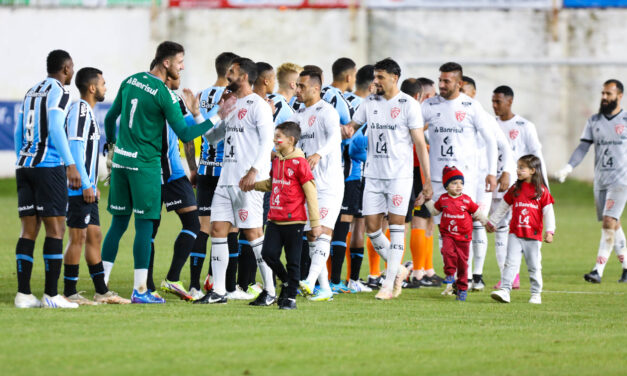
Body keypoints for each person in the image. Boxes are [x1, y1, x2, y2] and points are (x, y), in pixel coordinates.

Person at [101, 41, 235, 304]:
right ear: (166, 63)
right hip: (146, 167)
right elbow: (185, 133)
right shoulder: (163, 93)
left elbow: (109, 118)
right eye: (180, 62)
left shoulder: (131, 80)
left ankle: (101, 285)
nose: (182, 66)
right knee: (144, 226)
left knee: (117, 224)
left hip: (121, 164)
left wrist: (111, 147)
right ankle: (141, 290)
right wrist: (217, 116)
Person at [343, 58, 432, 300]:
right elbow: (354, 124)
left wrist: (427, 180)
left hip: (399, 178)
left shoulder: (408, 105)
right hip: (373, 175)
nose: (376, 81)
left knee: (396, 226)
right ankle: (400, 270)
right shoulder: (369, 101)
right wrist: (348, 128)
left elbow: (420, 144)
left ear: (395, 78)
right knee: (372, 228)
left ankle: (388, 283)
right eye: (375, 77)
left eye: (380, 77)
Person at [194, 57, 276, 305]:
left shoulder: (258, 106)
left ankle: (270, 291)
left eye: (232, 72)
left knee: (253, 233)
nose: (227, 76)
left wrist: (254, 171)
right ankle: (218, 291)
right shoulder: (230, 104)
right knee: (218, 230)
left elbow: (266, 142)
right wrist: (198, 114)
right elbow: (213, 138)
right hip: (226, 179)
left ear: (244, 76)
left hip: (247, 181)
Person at [14, 49, 82, 309]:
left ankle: (23, 295)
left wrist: (23, 160)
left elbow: (20, 129)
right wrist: (70, 163)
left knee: (28, 230)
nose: (72, 72)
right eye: (72, 67)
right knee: (56, 229)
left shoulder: (31, 91)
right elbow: (55, 127)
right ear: (65, 69)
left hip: (25, 165)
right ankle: (52, 295)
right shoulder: (61, 91)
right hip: (48, 166)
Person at [421, 63, 499, 285]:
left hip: (465, 180)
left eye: (447, 81)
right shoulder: (429, 105)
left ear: (459, 83)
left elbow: (490, 139)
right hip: (437, 177)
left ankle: (470, 276)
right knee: (443, 229)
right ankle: (451, 277)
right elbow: (413, 130)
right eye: (440, 80)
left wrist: (491, 173)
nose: (442, 85)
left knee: (468, 226)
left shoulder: (471, 106)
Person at [62, 67, 130, 305]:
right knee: (77, 237)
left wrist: (92, 183)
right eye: (102, 83)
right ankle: (69, 292)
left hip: (86, 187)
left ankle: (102, 291)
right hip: (77, 188)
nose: (105, 87)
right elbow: (75, 148)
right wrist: (85, 184)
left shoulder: (88, 112)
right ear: (92, 88)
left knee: (95, 236)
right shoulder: (80, 109)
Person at [556, 79, 627, 283]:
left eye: (609, 94)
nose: (604, 97)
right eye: (603, 93)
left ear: (619, 96)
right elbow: (583, 147)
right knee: (613, 222)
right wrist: (569, 167)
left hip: (621, 181)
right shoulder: (594, 121)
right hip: (602, 180)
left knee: (608, 221)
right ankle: (626, 267)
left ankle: (598, 270)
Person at [246, 121, 321, 310]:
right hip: (274, 219)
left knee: (293, 261)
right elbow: (273, 183)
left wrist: (315, 222)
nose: (275, 140)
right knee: (268, 254)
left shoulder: (300, 163)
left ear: (291, 140)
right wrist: (253, 185)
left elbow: (311, 192)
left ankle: (290, 299)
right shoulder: (277, 160)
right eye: (275, 136)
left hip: (294, 220)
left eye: (278, 137)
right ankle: (287, 282)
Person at [148, 74, 204, 301]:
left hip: (171, 172)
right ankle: (150, 284)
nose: (182, 71)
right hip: (158, 171)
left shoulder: (176, 99)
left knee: (192, 222)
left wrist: (192, 167)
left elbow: (185, 134)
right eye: (179, 66)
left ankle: (163, 280)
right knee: (151, 229)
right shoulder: (155, 97)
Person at [291, 69, 344, 302]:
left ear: (315, 88)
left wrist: (319, 154)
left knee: (322, 231)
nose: (297, 90)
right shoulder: (299, 114)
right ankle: (325, 289)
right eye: (297, 86)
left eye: (302, 86)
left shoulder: (327, 111)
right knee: (313, 235)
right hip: (308, 184)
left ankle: (309, 281)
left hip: (329, 183)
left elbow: (335, 138)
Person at [190, 52, 241, 297]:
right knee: (229, 230)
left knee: (204, 228)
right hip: (225, 170)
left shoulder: (200, 95)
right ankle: (225, 285)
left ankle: (193, 285)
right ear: (231, 70)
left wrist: (193, 166)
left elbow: (192, 133)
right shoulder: (231, 97)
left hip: (204, 169)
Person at [460, 76, 513, 291]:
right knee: (458, 226)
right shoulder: (452, 117)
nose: (460, 94)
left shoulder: (484, 118)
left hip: (481, 181)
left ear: (473, 94)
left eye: (464, 90)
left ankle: (477, 274)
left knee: (478, 224)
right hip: (459, 182)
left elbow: (505, 147)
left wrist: (506, 172)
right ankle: (460, 274)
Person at [492, 84, 547, 288]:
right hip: (495, 185)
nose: (494, 105)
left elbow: (537, 157)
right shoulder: (491, 124)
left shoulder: (525, 126)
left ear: (510, 101)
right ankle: (508, 277)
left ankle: (516, 277)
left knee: (515, 231)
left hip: (520, 189)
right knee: (498, 228)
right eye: (493, 101)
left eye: (498, 101)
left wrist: (543, 186)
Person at [489, 155, 556, 304]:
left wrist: (550, 231)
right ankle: (505, 290)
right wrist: (492, 222)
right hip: (515, 234)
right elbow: (503, 207)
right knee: (510, 263)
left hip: (533, 237)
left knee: (534, 266)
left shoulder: (542, 191)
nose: (518, 171)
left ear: (533, 170)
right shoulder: (515, 188)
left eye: (522, 168)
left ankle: (536, 294)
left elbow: (549, 213)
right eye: (518, 167)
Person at [416, 166, 487, 302]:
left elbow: (477, 212)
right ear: (446, 186)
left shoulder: (466, 200)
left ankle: (462, 289)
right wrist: (426, 200)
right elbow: (435, 211)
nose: (458, 186)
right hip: (448, 234)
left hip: (464, 237)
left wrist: (486, 222)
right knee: (447, 252)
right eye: (454, 183)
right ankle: (449, 274)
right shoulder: (443, 199)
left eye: (460, 182)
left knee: (463, 264)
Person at [342, 64, 375, 293]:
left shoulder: (343, 101)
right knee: (357, 227)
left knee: (340, 228)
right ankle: (350, 280)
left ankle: (336, 278)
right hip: (356, 174)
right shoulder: (364, 107)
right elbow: (355, 147)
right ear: (373, 85)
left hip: (340, 173)